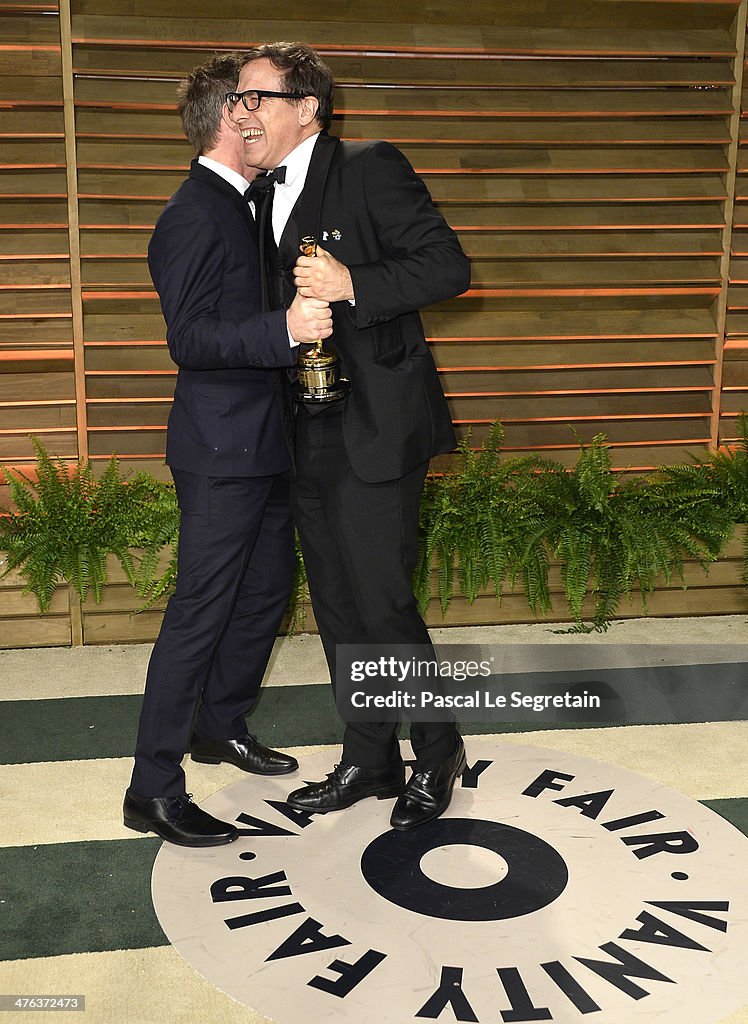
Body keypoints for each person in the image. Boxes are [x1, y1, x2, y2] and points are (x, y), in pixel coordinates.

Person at [228, 43, 471, 830]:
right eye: (239, 99)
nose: (244, 112)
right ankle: (369, 757)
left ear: (308, 107)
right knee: (336, 603)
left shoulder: (368, 164)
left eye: (259, 97)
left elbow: (447, 267)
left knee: (383, 601)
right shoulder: (255, 196)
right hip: (302, 428)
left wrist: (353, 283)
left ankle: (438, 753)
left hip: (376, 427)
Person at [123, 53, 333, 847]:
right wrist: (284, 329)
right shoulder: (192, 213)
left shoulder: (249, 204)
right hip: (218, 447)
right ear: (229, 121)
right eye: (251, 107)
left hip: (266, 439)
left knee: (266, 589)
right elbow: (192, 339)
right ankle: (152, 787)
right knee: (200, 613)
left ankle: (220, 725)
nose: (265, 120)